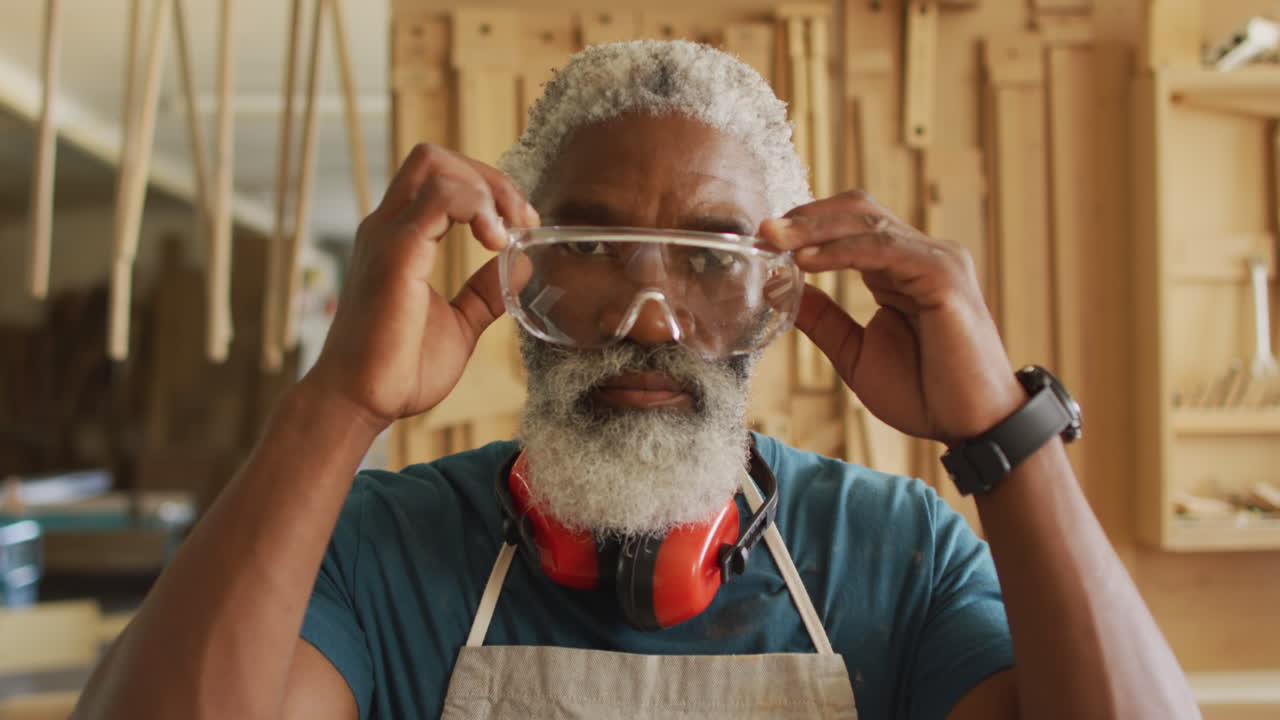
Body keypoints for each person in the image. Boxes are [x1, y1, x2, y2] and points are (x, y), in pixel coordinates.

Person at [73, 40, 1199, 720]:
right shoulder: (376, 553)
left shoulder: (892, 557)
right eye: (592, 249)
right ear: (518, 273)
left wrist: (1004, 437)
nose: (642, 320)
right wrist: (338, 406)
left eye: (709, 260)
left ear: (780, 292)